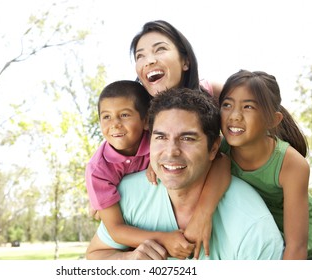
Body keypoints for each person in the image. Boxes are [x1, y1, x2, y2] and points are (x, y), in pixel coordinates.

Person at [86, 88, 284, 260]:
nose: (171, 151)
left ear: (214, 148)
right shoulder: (128, 194)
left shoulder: (253, 227)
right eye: (161, 137)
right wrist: (129, 261)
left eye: (188, 138)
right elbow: (95, 256)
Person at [129, 20, 231, 258]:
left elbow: (225, 157)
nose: (149, 60)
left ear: (185, 61)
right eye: (140, 55)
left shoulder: (213, 92)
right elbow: (107, 159)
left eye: (160, 49)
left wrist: (203, 214)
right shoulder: (137, 114)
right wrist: (98, 191)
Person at [218, 69, 312, 260]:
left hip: (309, 250)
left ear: (272, 120)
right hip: (267, 243)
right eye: (227, 104)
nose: (235, 115)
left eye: (248, 107)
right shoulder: (220, 150)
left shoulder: (290, 164)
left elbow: (297, 246)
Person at [85, 80, 194, 259]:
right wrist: (164, 239)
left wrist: (158, 157)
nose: (115, 124)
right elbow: (116, 230)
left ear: (146, 121)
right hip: (129, 231)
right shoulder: (97, 170)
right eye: (106, 117)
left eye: (124, 115)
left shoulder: (160, 142)